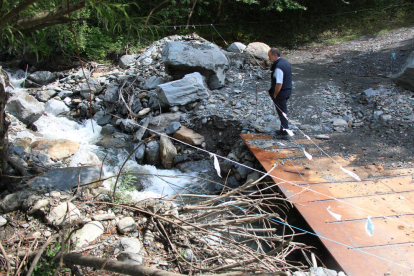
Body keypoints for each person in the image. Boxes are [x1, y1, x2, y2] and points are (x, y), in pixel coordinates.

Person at [268, 48, 292, 139]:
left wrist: (275, 94)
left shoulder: (278, 67)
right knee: (283, 111)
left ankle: (284, 133)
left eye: (269, 56)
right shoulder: (285, 62)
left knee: (282, 113)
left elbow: (279, 83)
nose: (269, 58)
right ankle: (282, 130)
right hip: (287, 90)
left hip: (281, 93)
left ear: (275, 55)